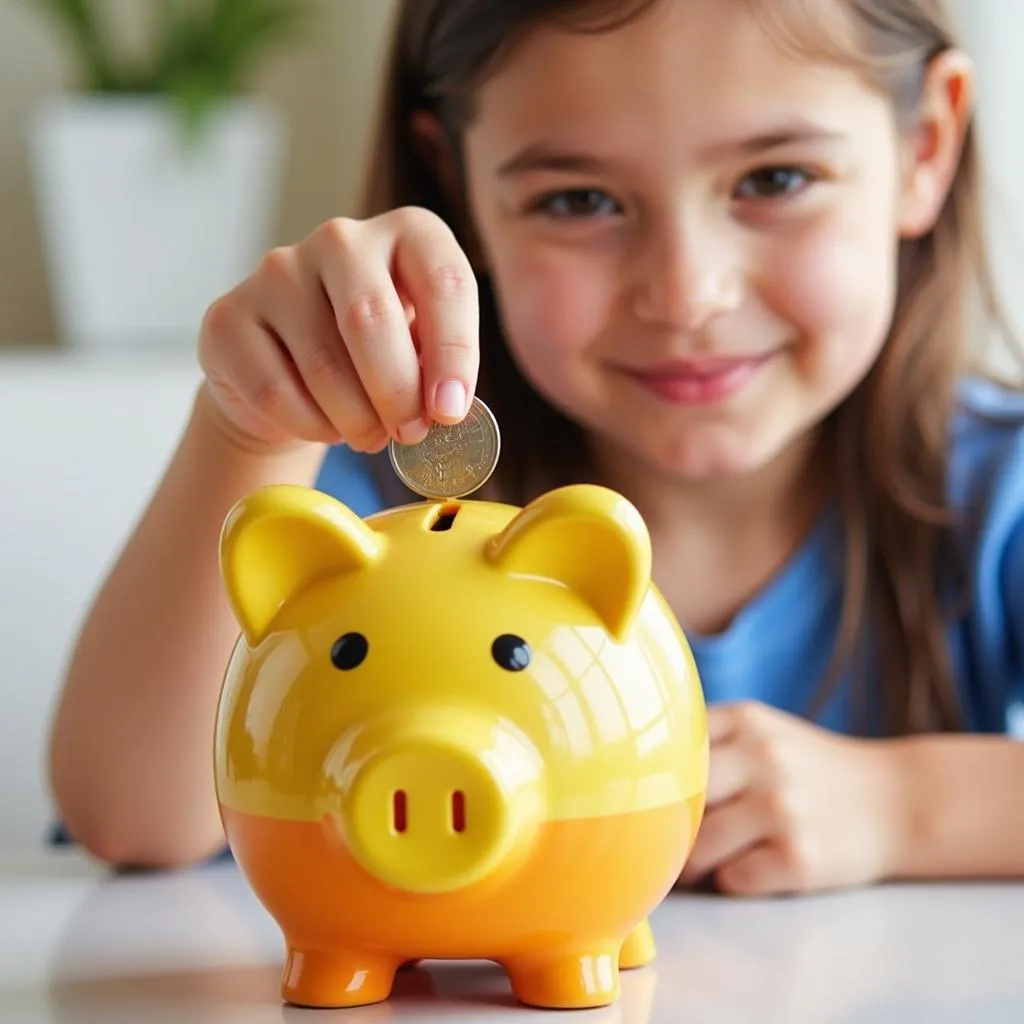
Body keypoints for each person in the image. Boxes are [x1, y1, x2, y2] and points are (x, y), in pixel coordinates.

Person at [46, 0, 1024, 896]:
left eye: (775, 179)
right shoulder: (367, 508)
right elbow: (134, 819)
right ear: (457, 187)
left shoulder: (999, 494)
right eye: (579, 201)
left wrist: (903, 805)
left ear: (924, 147)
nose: (685, 294)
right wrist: (252, 428)